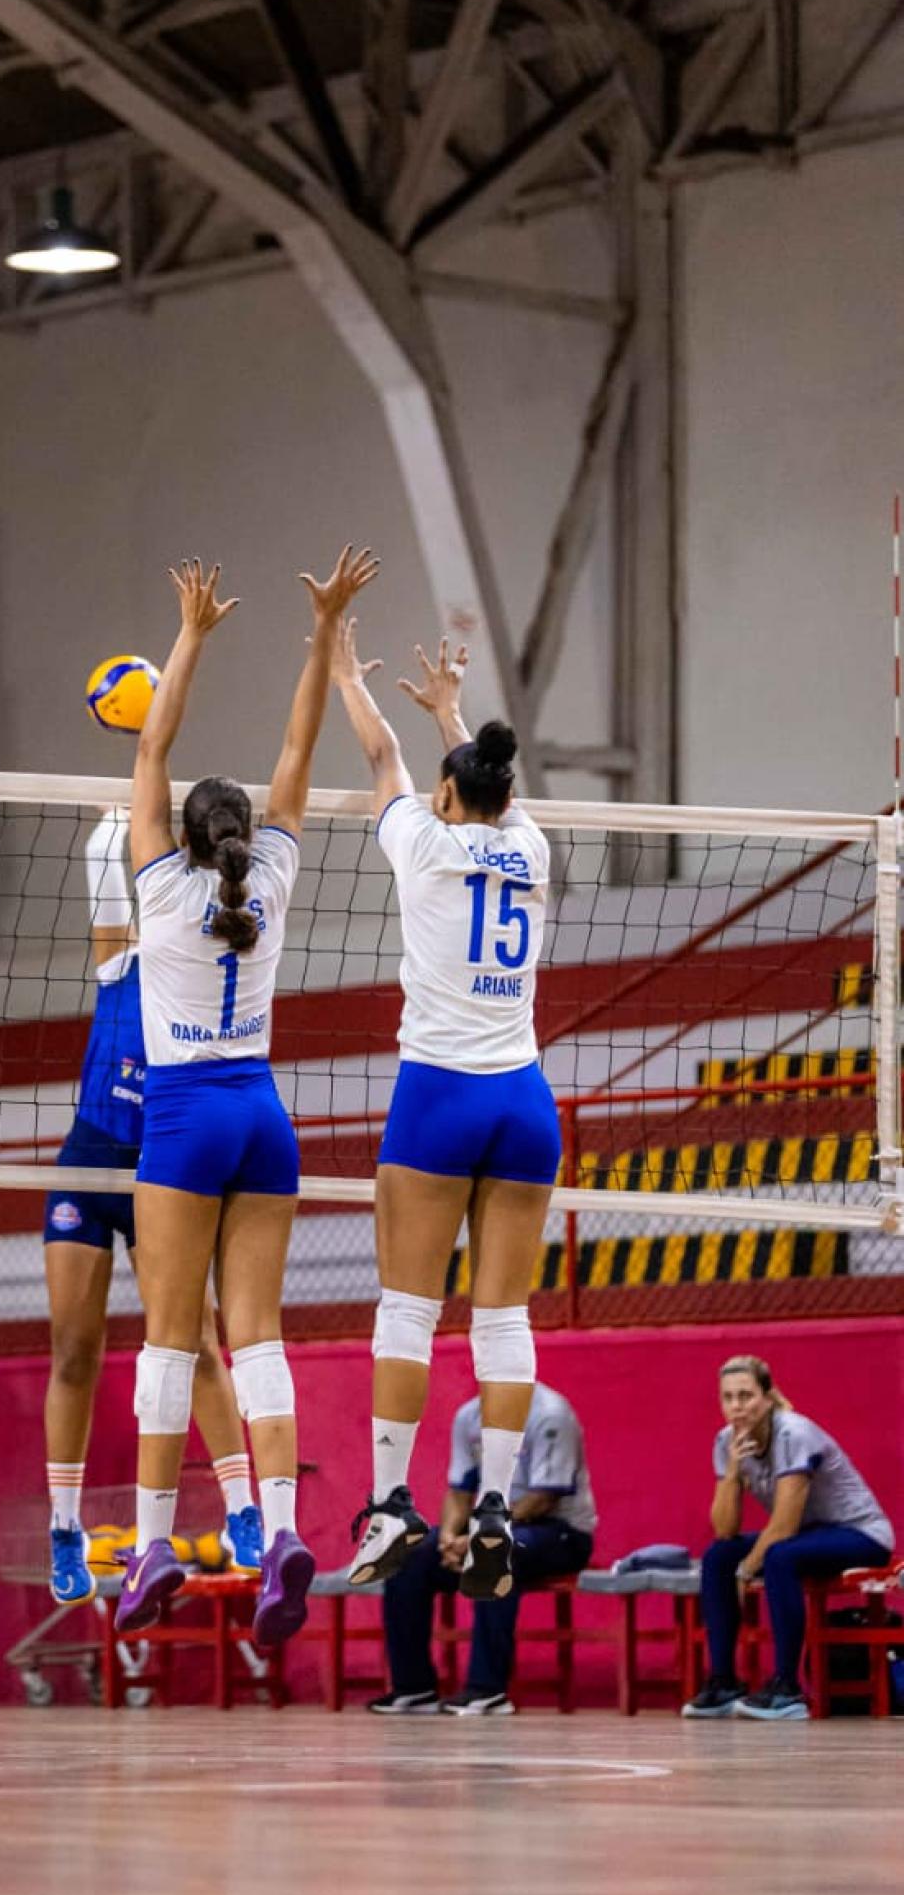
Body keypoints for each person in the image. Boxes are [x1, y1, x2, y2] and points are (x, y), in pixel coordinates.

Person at [119, 546, 380, 1646]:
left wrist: (189, 632)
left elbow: (149, 740)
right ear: (242, 837)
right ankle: (277, 1531)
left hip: (181, 1116)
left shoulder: (158, 886)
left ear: (182, 836)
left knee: (170, 1343)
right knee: (259, 1338)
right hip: (263, 1117)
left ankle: (146, 1548)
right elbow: (297, 744)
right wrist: (322, 631)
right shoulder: (265, 878)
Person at [332, 623, 560, 1601]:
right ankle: (498, 1505)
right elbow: (490, 795)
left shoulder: (420, 844)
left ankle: (390, 1503)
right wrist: (455, 719)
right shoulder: (533, 849)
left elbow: (381, 754)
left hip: (436, 1095)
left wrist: (342, 666)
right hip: (522, 1099)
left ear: (445, 797)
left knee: (407, 1308)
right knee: (500, 1315)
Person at [43, 807, 263, 1606]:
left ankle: (243, 1507)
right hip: (92, 1157)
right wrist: (134, 792)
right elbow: (107, 860)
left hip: (162, 1167)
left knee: (196, 1338)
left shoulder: (202, 955)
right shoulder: (123, 959)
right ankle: (65, 1523)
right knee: (74, 1347)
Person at [683, 1355, 894, 1721]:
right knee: (719, 1556)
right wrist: (732, 1472)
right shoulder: (726, 1442)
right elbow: (725, 1529)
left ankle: (787, 1687)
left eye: (745, 1396)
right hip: (809, 1535)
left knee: (779, 1556)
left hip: (859, 1533)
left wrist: (745, 1571)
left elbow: (782, 1526)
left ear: (767, 1397)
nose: (736, 1407)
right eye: (728, 1398)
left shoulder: (793, 1434)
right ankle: (723, 1682)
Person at [370, 1381, 596, 1716]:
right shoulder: (469, 1417)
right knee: (410, 1554)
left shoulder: (550, 1414)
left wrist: (479, 1534)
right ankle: (414, 1687)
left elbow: (544, 1499)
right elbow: (460, 1493)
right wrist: (448, 1536)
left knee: (493, 1552)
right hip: (485, 1526)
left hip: (559, 1532)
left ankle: (486, 1689)